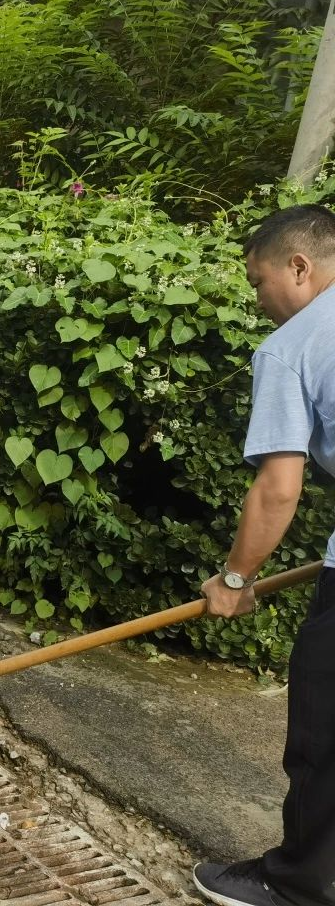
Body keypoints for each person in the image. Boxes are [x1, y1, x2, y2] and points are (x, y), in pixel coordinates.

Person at [192, 204, 335, 906]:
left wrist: (234, 578)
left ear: (299, 268)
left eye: (258, 282)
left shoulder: (296, 343)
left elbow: (278, 489)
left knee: (326, 728)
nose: (258, 302)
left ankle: (295, 886)